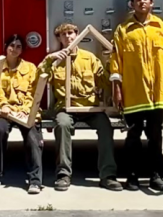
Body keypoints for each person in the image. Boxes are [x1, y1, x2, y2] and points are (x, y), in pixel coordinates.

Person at [110, 0, 163, 191]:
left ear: (152, 3)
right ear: (132, 4)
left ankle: (155, 176)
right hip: (133, 93)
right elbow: (116, 63)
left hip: (158, 95)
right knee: (133, 137)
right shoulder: (123, 30)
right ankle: (132, 176)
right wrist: (117, 90)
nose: (142, 1)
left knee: (155, 137)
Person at [40, 22, 120, 191]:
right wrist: (49, 60)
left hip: (89, 107)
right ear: (59, 39)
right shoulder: (56, 60)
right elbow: (39, 79)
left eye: (70, 33)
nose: (68, 37)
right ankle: (63, 174)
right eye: (63, 34)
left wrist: (110, 61)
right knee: (62, 125)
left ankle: (108, 175)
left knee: (105, 126)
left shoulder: (89, 58)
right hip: (65, 109)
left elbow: (105, 80)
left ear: (77, 35)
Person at [0, 34, 44, 193]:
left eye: (18, 46)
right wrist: (4, 105)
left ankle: (35, 180)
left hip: (24, 112)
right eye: (11, 45)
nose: (14, 49)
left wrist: (25, 110)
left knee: (33, 135)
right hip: (3, 112)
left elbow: (33, 93)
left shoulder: (31, 68)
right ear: (6, 47)